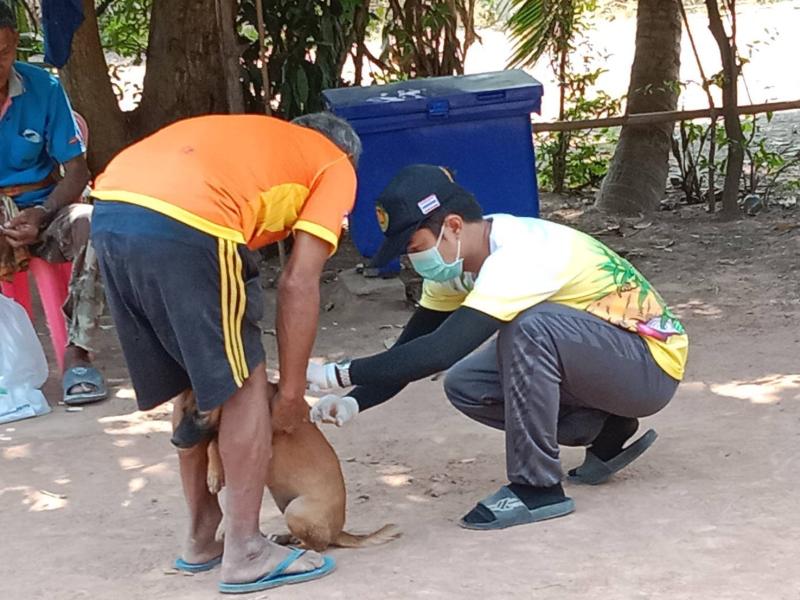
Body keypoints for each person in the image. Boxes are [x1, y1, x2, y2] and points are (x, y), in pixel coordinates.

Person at [306, 164, 688, 531]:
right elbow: (415, 347)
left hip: (649, 366)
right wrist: (355, 400)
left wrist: (336, 373)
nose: (412, 259)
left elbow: (441, 351)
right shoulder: (455, 267)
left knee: (529, 329)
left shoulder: (519, 254)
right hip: (606, 366)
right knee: (467, 384)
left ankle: (537, 489)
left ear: (453, 226)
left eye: (414, 246)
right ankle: (606, 426)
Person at [89, 112, 360, 594]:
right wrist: (291, 392)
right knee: (243, 386)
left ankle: (200, 536)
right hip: (189, 219)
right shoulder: (335, 164)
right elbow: (299, 282)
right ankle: (247, 551)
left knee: (193, 383)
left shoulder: (258, 142)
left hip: (110, 209)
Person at [0, 3, 106, 405]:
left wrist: (42, 214)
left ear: (14, 43)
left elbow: (76, 171)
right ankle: (8, 366)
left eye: (3, 52)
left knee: (89, 221)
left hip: (43, 207)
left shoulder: (43, 87)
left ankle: (78, 355)